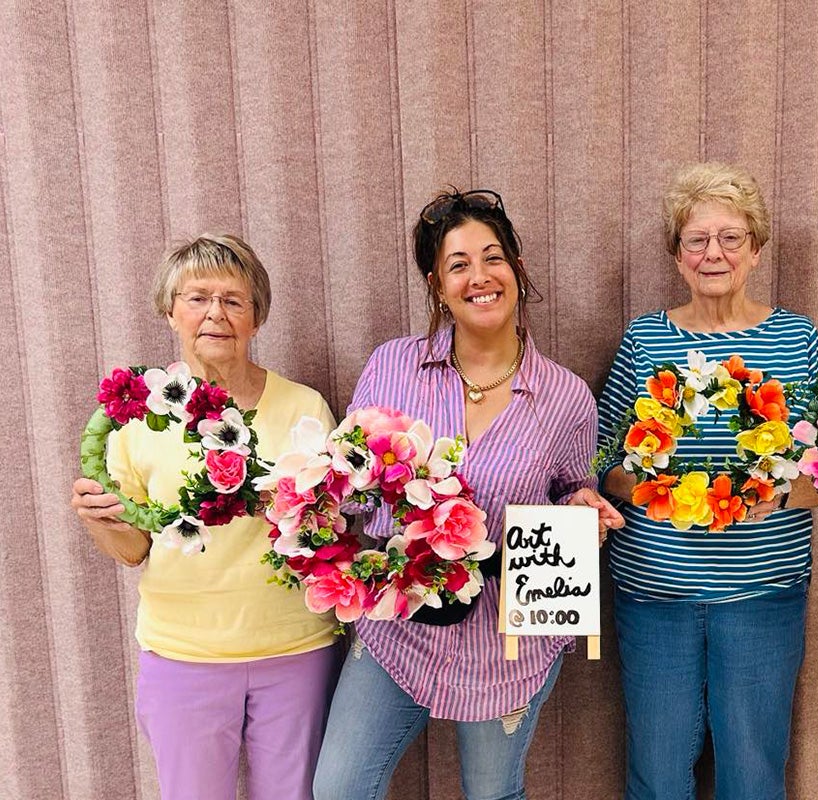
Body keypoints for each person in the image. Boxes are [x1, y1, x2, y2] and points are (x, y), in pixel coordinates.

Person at [311, 188, 623, 800]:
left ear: (518, 269)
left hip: (508, 645)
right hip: (398, 628)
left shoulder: (565, 397)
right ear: (437, 284)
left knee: (492, 795)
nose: (479, 277)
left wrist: (584, 509)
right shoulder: (392, 367)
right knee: (339, 789)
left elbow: (573, 489)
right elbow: (348, 475)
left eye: (493, 257)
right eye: (458, 264)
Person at [70, 235, 340, 800]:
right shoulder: (136, 419)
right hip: (184, 656)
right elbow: (135, 548)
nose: (215, 313)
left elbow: (327, 528)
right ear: (171, 312)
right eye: (197, 298)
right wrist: (102, 522)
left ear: (256, 318)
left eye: (234, 300)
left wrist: (296, 507)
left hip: (295, 651)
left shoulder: (304, 408)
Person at [597, 162, 818, 800]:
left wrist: (774, 495)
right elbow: (603, 456)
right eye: (696, 240)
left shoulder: (797, 338)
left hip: (763, 593)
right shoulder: (646, 339)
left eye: (731, 237)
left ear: (757, 250)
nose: (714, 254)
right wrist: (655, 494)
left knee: (754, 775)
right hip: (655, 593)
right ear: (676, 256)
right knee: (658, 773)